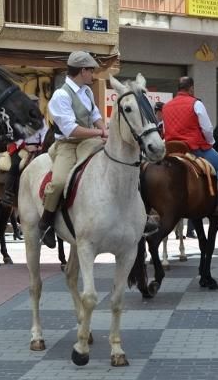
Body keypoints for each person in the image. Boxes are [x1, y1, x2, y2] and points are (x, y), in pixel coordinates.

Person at [38, 51, 158, 247]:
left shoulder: (86, 91)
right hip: (67, 144)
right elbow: (70, 129)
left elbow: (95, 115)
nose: (92, 75)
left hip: (89, 140)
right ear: (82, 70)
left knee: (123, 166)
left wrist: (103, 127)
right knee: (59, 182)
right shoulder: (61, 95)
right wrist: (100, 133)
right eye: (91, 70)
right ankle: (47, 223)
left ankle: (139, 216)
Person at [161, 76, 218, 216]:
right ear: (191, 88)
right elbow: (207, 128)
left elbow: (165, 130)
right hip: (193, 147)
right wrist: (211, 142)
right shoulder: (196, 103)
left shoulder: (166, 106)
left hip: (171, 148)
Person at [0, 115, 49, 207]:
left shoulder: (41, 119)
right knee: (15, 164)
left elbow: (44, 132)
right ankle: (7, 192)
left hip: (37, 147)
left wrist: (42, 145)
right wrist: (26, 147)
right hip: (19, 146)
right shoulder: (19, 117)